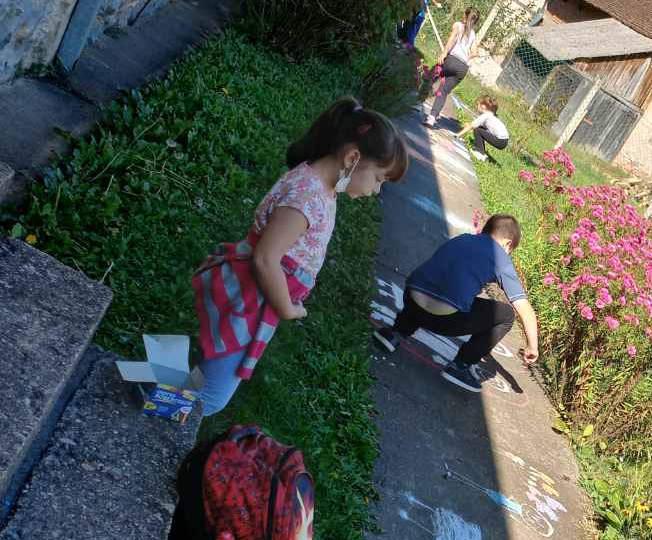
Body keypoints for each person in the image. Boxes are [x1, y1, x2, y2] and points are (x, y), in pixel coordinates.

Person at [193, 98, 407, 418]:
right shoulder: (308, 196)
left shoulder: (321, 187)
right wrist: (287, 308)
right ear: (353, 158)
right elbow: (266, 259)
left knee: (211, 371)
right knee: (210, 397)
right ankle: (148, 413)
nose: (376, 190)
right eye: (379, 179)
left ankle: (160, 393)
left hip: (256, 297)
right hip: (250, 299)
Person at [376, 213, 538, 392]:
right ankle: (461, 366)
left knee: (435, 287)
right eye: (511, 250)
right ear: (508, 243)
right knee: (506, 315)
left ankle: (395, 333)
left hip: (411, 298)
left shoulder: (463, 239)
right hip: (444, 320)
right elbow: (524, 309)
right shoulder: (501, 258)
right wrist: (533, 346)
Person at [424, 6, 479, 126]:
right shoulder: (473, 34)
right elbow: (475, 53)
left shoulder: (458, 25)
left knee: (431, 77)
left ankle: (417, 100)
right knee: (443, 91)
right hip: (462, 68)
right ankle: (432, 118)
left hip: (451, 60)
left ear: (465, 15)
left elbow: (452, 39)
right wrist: (466, 59)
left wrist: (444, 53)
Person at [460, 96, 510, 163]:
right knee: (479, 128)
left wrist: (458, 135)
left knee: (477, 129)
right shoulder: (491, 115)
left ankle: (480, 152)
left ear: (483, 106)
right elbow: (476, 126)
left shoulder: (485, 116)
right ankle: (481, 151)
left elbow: (471, 126)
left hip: (500, 141)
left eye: (477, 105)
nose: (476, 107)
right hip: (504, 141)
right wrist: (469, 125)